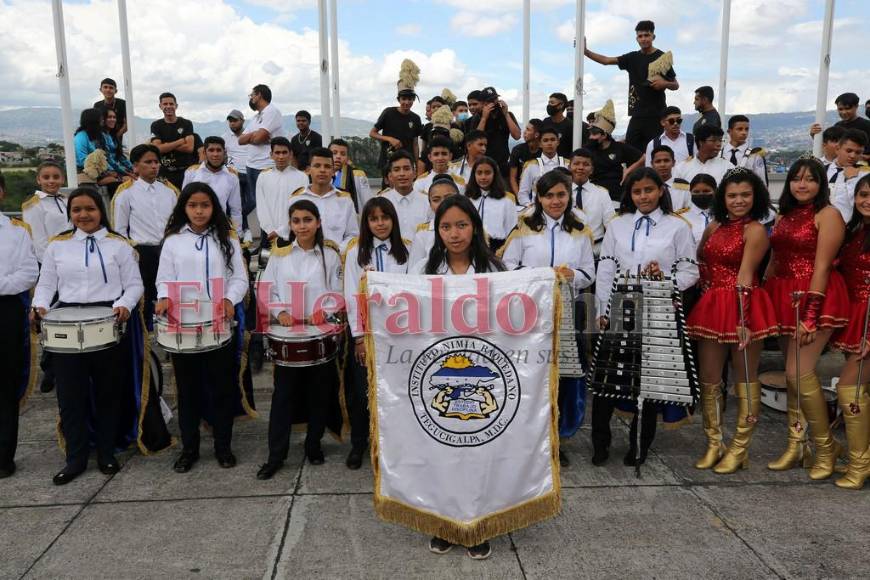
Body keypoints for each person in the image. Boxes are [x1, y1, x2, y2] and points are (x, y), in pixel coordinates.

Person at [412, 195, 504, 560]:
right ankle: (445, 524)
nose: (454, 234)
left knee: (479, 452)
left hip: (484, 372)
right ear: (437, 231)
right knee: (441, 451)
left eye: (462, 225)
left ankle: (478, 524)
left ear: (475, 228)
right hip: (436, 371)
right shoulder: (422, 269)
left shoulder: (495, 269)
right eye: (446, 226)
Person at [31, 188, 144, 485]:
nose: (83, 215)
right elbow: (46, 284)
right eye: (77, 210)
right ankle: (76, 458)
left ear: (101, 211)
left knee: (108, 393)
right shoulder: (58, 246)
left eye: (90, 209)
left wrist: (123, 305)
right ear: (70, 214)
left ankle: (107, 451)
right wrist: (39, 305)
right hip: (67, 326)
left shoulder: (119, 245)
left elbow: (134, 285)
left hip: (107, 322)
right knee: (71, 397)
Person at [592, 167, 699, 466]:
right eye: (637, 191)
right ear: (630, 194)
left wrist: (663, 280)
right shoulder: (618, 225)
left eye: (649, 190)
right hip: (620, 307)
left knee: (646, 383)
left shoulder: (677, 227)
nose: (643, 196)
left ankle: (639, 445)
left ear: (661, 191)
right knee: (606, 381)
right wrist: (602, 309)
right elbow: (607, 269)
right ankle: (600, 443)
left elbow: (691, 271)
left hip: (657, 310)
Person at [500, 169, 595, 467]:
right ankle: (529, 439)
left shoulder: (580, 229)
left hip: (567, 312)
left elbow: (589, 272)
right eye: (549, 195)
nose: (555, 201)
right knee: (532, 376)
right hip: (530, 313)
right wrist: (537, 277)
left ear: (568, 195)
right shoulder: (524, 227)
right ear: (538, 197)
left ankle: (556, 437)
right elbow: (507, 266)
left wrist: (573, 276)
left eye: (561, 195)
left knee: (563, 377)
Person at [685, 168, 778, 473]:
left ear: (757, 197)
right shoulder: (714, 226)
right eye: (732, 195)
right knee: (710, 379)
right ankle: (714, 444)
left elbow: (746, 275)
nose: (739, 201)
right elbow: (700, 259)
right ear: (722, 198)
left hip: (743, 303)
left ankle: (740, 448)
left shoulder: (755, 230)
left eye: (746, 195)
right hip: (713, 306)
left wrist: (744, 318)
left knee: (745, 380)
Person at [762, 158, 849, 477]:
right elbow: (774, 259)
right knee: (791, 377)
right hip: (782, 296)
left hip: (816, 297)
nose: (802, 184)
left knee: (799, 372)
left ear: (821, 184)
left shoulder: (828, 215)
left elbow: (823, 266)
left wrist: (811, 316)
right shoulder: (783, 214)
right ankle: (797, 445)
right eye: (796, 179)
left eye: (810, 179)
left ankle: (826, 448)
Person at [155, 182, 248, 473]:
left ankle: (223, 446)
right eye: (193, 205)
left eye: (204, 205)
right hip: (184, 325)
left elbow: (239, 279)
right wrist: (165, 298)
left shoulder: (227, 239)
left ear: (213, 208)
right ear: (184, 207)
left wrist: (230, 299)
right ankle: (189, 448)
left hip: (218, 323)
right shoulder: (173, 241)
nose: (198, 211)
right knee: (188, 390)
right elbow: (164, 279)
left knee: (221, 388)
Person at [256, 200, 344, 478]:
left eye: (307, 220)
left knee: (319, 394)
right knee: (283, 397)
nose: (302, 225)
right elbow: (265, 289)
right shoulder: (279, 255)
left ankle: (313, 444)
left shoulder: (330, 255)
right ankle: (276, 455)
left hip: (319, 334)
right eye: (296, 220)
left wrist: (324, 311)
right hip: (288, 337)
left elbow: (339, 289)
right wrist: (280, 311)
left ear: (318, 222)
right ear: (290, 224)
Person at [342, 197, 411, 469]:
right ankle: (360, 443)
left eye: (385, 217)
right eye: (374, 219)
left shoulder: (406, 251)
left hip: (399, 335)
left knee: (396, 392)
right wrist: (359, 336)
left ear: (393, 220)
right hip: (368, 335)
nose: (380, 223)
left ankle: (396, 446)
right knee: (363, 393)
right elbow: (352, 296)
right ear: (366, 222)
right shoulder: (356, 252)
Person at [830, 173, 870, 489]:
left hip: (869, 323)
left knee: (848, 389)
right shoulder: (854, 230)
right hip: (854, 316)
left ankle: (860, 465)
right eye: (863, 194)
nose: (867, 201)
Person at [584, 20, 679, 152]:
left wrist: (665, 83)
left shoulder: (662, 57)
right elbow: (606, 61)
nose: (644, 39)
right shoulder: (632, 58)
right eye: (640, 36)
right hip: (637, 115)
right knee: (631, 150)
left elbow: (675, 85)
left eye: (647, 35)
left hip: (656, 115)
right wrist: (586, 51)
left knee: (656, 153)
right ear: (637, 38)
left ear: (653, 37)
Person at [112, 144, 178, 325]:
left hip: (167, 248)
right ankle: (146, 329)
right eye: (148, 162)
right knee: (146, 292)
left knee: (168, 289)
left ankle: (168, 325)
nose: (154, 166)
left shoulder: (169, 191)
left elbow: (176, 223)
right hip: (142, 250)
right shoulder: (126, 193)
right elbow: (119, 230)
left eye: (156, 162)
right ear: (135, 166)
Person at [0, 173, 39, 479]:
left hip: (7, 310)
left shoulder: (16, 231)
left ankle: (4, 455)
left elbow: (28, 272)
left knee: (5, 383)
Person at [289, 147, 359, 249]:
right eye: (317, 166)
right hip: (304, 259)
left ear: (333, 170)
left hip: (337, 260)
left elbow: (352, 235)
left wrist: (337, 252)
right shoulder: (296, 199)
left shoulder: (345, 200)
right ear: (308, 170)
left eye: (327, 166)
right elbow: (288, 232)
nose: (322, 170)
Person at [182, 136, 243, 236]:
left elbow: (236, 210)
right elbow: (183, 203)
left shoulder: (232, 177)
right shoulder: (192, 172)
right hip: (194, 228)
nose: (215, 154)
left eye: (219, 150)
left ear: (224, 152)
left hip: (219, 228)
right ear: (205, 153)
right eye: (211, 150)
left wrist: (237, 234)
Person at [255, 137, 309, 246]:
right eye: (277, 153)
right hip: (268, 233)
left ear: (291, 154)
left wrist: (282, 230)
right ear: (271, 155)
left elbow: (302, 207)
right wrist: (270, 230)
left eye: (284, 152)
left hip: (294, 232)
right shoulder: (263, 176)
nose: (281, 156)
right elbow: (261, 206)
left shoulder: (301, 177)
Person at [587, 100, 644, 200]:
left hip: (616, 197)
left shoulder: (620, 147)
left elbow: (644, 157)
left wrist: (628, 171)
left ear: (604, 135)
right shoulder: (588, 149)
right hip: (594, 196)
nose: (591, 137)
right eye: (590, 134)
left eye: (594, 134)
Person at [370, 67, 423, 173]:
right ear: (399, 99)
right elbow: (372, 133)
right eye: (404, 99)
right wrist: (390, 139)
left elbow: (415, 144)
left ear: (413, 100)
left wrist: (416, 165)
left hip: (407, 163)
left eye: (410, 99)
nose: (407, 102)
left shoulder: (416, 118)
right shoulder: (388, 113)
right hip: (388, 161)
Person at [466, 87, 520, 179]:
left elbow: (517, 136)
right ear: (483, 104)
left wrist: (506, 114)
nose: (493, 103)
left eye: (494, 100)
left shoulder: (507, 114)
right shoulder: (478, 117)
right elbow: (475, 138)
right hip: (484, 164)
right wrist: (484, 118)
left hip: (503, 164)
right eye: (489, 101)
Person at [239, 84, 284, 196]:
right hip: (251, 165)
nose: (251, 97)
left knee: (268, 202)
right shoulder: (256, 117)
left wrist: (255, 136)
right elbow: (240, 140)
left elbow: (259, 138)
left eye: (252, 95)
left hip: (266, 166)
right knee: (257, 203)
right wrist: (255, 134)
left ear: (259, 95)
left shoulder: (271, 111)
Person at [465, 156, 517, 252]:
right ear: (474, 174)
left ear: (495, 174)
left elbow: (511, 230)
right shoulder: (468, 198)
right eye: (479, 173)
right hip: (472, 246)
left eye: (487, 173)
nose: (483, 177)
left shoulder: (507, 199)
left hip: (497, 247)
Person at [569, 148, 615, 253]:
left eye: (586, 164)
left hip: (596, 249)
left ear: (592, 169)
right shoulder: (562, 193)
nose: (580, 167)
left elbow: (610, 223)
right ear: (569, 167)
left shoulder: (602, 193)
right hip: (568, 249)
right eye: (576, 163)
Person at [21, 161, 68, 263]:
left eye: (56, 177)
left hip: (72, 255)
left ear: (62, 179)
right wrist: (51, 263)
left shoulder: (66, 200)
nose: (51, 181)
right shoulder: (33, 204)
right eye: (46, 177)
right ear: (39, 180)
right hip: (52, 260)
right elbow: (38, 241)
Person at [379, 150, 430, 241]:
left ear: (414, 173)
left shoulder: (428, 202)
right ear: (390, 176)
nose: (402, 174)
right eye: (397, 170)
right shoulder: (380, 202)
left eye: (406, 168)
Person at [149, 92, 196, 190]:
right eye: (165, 104)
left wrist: (165, 144)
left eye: (171, 104)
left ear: (176, 106)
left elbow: (189, 148)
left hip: (185, 172)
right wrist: (180, 141)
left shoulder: (186, 123)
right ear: (160, 106)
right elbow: (157, 148)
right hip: (164, 172)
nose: (168, 106)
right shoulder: (156, 125)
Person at [409, 176, 459, 266]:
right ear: (430, 205)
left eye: (448, 197)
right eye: (436, 200)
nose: (443, 203)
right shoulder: (423, 234)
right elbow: (413, 272)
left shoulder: (471, 227)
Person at [517, 126, 569, 206]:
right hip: (538, 211)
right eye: (545, 140)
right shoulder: (531, 166)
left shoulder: (567, 164)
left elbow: (573, 191)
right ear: (540, 144)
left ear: (558, 142)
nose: (549, 143)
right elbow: (523, 193)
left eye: (552, 139)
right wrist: (531, 207)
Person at [222, 109, 253, 242]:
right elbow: (223, 155)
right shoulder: (225, 137)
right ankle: (244, 233)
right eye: (230, 121)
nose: (232, 123)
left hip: (250, 172)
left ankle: (237, 223)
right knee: (237, 204)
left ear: (242, 120)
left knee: (253, 201)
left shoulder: (249, 135)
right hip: (234, 174)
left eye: (235, 120)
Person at [73, 108, 123, 188]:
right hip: (86, 172)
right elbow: (83, 161)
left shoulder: (98, 136)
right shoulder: (81, 137)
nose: (103, 121)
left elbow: (107, 157)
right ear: (94, 121)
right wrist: (105, 172)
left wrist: (117, 171)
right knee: (113, 182)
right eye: (101, 119)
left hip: (101, 171)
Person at [827, 129, 869, 223]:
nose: (853, 156)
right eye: (849, 151)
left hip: (850, 228)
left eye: (858, 152)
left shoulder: (865, 175)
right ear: (837, 149)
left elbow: (862, 204)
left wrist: (852, 180)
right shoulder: (822, 170)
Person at [720, 114, 767, 185]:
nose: (744, 133)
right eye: (739, 129)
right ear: (729, 131)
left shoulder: (754, 155)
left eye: (746, 129)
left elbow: (762, 183)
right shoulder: (720, 154)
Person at [330, 138, 373, 212]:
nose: (338, 156)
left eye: (343, 154)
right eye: (334, 153)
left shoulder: (357, 175)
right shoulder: (323, 175)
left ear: (347, 158)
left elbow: (368, 202)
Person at [682, 173, 718, 246]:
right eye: (696, 192)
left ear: (715, 191)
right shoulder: (680, 217)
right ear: (690, 192)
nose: (701, 194)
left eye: (706, 191)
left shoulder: (725, 215)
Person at [509, 119, 543, 194]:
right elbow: (512, 178)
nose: (524, 132)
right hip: (520, 191)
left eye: (528, 130)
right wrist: (520, 197)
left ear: (536, 134)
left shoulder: (544, 152)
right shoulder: (517, 150)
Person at [544, 92, 579, 158]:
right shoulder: (545, 122)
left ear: (561, 105)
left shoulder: (570, 125)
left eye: (552, 103)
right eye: (548, 103)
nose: (549, 105)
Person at [101, 107, 133, 176]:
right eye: (109, 117)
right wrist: (126, 172)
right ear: (103, 119)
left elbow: (121, 156)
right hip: (110, 171)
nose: (112, 119)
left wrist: (133, 168)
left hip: (118, 169)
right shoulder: (101, 136)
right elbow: (108, 159)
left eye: (114, 117)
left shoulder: (113, 136)